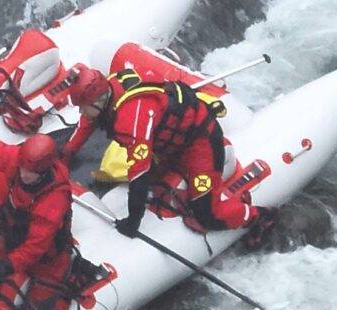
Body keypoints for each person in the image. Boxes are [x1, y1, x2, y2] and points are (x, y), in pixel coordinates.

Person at [63, 65, 279, 244]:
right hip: (172, 147)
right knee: (160, 189)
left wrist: (132, 221)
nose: (81, 112)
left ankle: (259, 217)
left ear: (99, 101)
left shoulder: (131, 118)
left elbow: (139, 175)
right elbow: (86, 124)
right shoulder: (109, 90)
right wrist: (65, 155)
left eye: (83, 107)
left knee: (206, 213)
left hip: (200, 145)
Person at [0, 133, 81, 310]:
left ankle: (69, 284)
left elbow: (34, 249)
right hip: (14, 241)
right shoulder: (20, 161)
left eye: (31, 172)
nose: (24, 174)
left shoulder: (53, 201)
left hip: (48, 260)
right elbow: (0, 156)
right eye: (23, 168)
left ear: (44, 171)